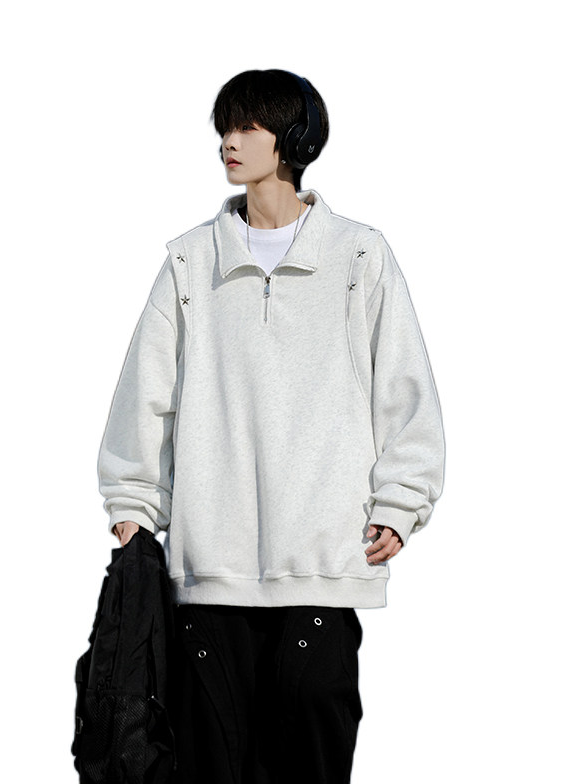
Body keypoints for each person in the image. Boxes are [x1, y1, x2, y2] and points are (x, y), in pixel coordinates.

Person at [97, 69, 445, 784]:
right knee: (212, 769)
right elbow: (145, 394)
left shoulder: (358, 256)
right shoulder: (191, 261)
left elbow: (404, 389)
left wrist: (402, 502)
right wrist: (134, 503)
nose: (229, 141)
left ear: (294, 139)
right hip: (210, 569)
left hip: (324, 561)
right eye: (225, 126)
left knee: (311, 762)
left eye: (248, 126)